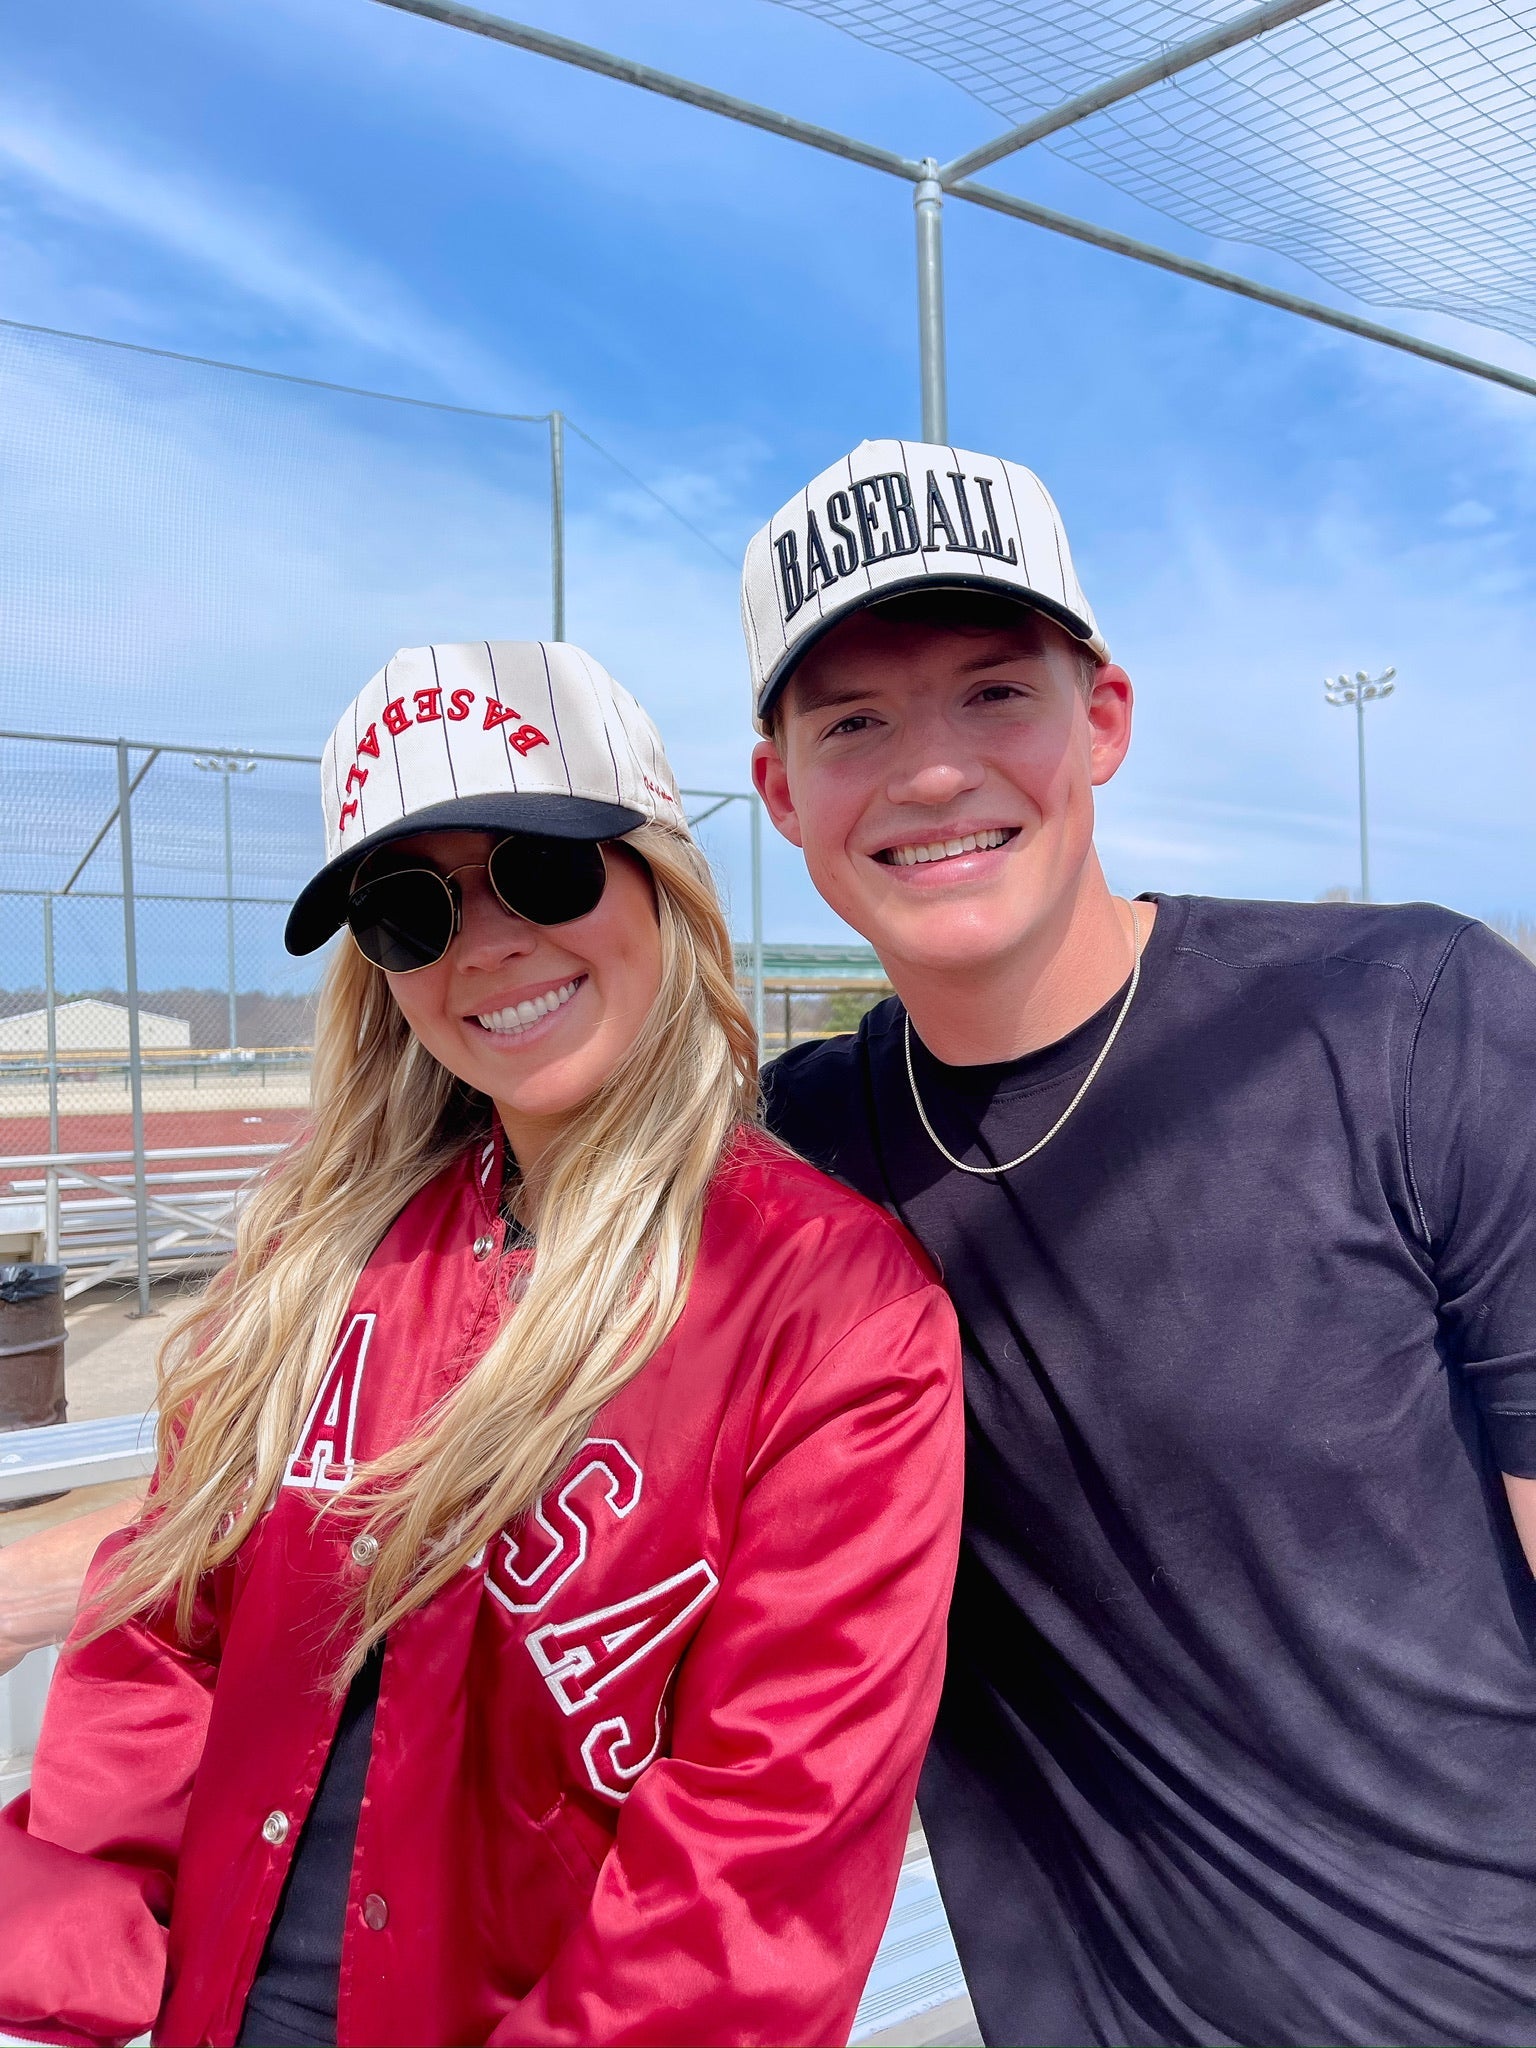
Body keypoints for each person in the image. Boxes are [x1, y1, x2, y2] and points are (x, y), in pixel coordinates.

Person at [0, 640, 963, 2048]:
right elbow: (169, 1620)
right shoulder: (318, 1251)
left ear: (660, 883)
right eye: (410, 909)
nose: (486, 943)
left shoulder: (833, 1310)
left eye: (542, 868)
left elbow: (757, 1863)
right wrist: (84, 1952)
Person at [746, 440, 1536, 2047]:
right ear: (781, 796)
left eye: (993, 694)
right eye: (854, 724)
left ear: (1102, 718)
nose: (932, 773)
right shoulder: (793, 1162)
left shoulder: (1411, 1018)